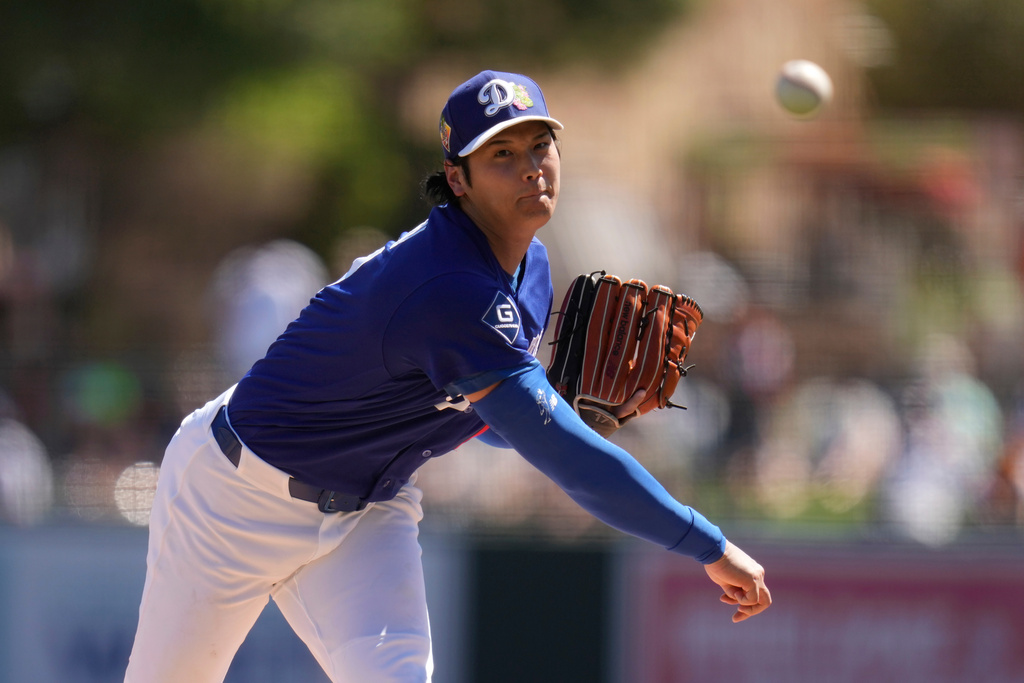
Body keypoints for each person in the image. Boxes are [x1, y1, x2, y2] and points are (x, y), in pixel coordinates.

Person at [124, 69, 771, 683]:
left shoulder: (532, 267)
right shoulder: (449, 287)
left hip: (367, 509)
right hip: (233, 499)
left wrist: (549, 411)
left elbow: (488, 419)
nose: (529, 166)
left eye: (540, 144)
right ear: (456, 179)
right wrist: (706, 543)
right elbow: (568, 461)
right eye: (501, 154)